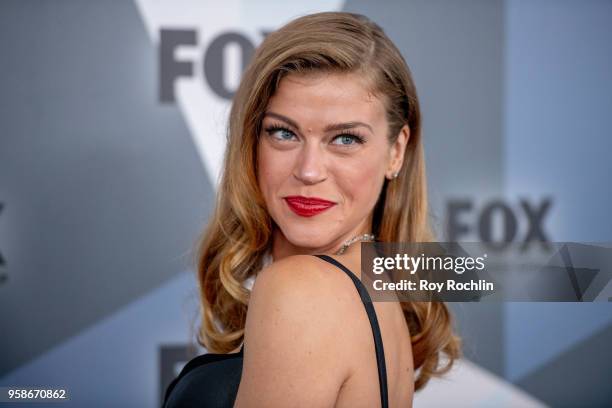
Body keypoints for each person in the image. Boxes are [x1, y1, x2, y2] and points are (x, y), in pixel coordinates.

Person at [164, 11, 460, 408]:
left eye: (345, 139)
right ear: (252, 142)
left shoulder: (302, 290)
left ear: (396, 151)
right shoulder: (378, 291)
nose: (308, 170)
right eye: (283, 133)